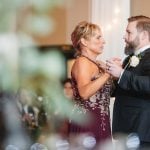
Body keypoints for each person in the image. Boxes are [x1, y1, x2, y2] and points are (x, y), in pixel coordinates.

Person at [106, 15, 150, 149]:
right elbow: (119, 90)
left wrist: (121, 74)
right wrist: (111, 77)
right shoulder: (129, 59)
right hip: (125, 130)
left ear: (143, 35)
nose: (124, 36)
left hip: (141, 130)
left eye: (129, 32)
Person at [69, 21, 113, 148]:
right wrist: (107, 74)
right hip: (87, 125)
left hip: (101, 122)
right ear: (84, 41)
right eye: (98, 37)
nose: (103, 41)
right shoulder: (82, 62)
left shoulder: (96, 64)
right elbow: (84, 93)